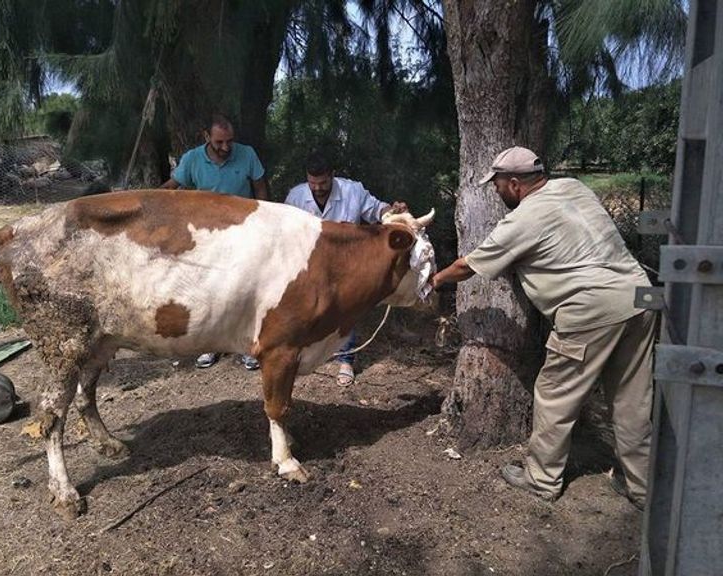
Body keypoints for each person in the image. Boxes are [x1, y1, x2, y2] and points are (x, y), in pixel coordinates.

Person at [431, 146, 655, 510]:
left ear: (515, 184)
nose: (496, 191)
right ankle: (641, 486)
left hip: (591, 308)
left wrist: (434, 280)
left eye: (498, 184)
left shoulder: (522, 220)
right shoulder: (574, 188)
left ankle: (541, 480)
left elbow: (467, 266)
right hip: (639, 297)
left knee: (554, 393)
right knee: (633, 400)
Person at [285, 151, 407, 386]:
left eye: (323, 182)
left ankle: (346, 360)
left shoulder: (353, 191)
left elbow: (377, 210)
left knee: (347, 309)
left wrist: (392, 212)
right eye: (313, 183)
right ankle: (300, 354)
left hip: (345, 266)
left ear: (333, 175)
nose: (318, 188)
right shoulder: (295, 196)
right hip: (306, 265)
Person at [161, 113, 268, 371]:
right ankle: (211, 345)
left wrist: (265, 219)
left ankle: (247, 346)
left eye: (229, 141)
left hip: (244, 233)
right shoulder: (192, 159)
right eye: (219, 142)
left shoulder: (247, 154)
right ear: (206, 136)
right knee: (209, 290)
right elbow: (171, 187)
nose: (226, 147)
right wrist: (143, 202)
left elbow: (261, 188)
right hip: (207, 238)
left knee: (246, 290)